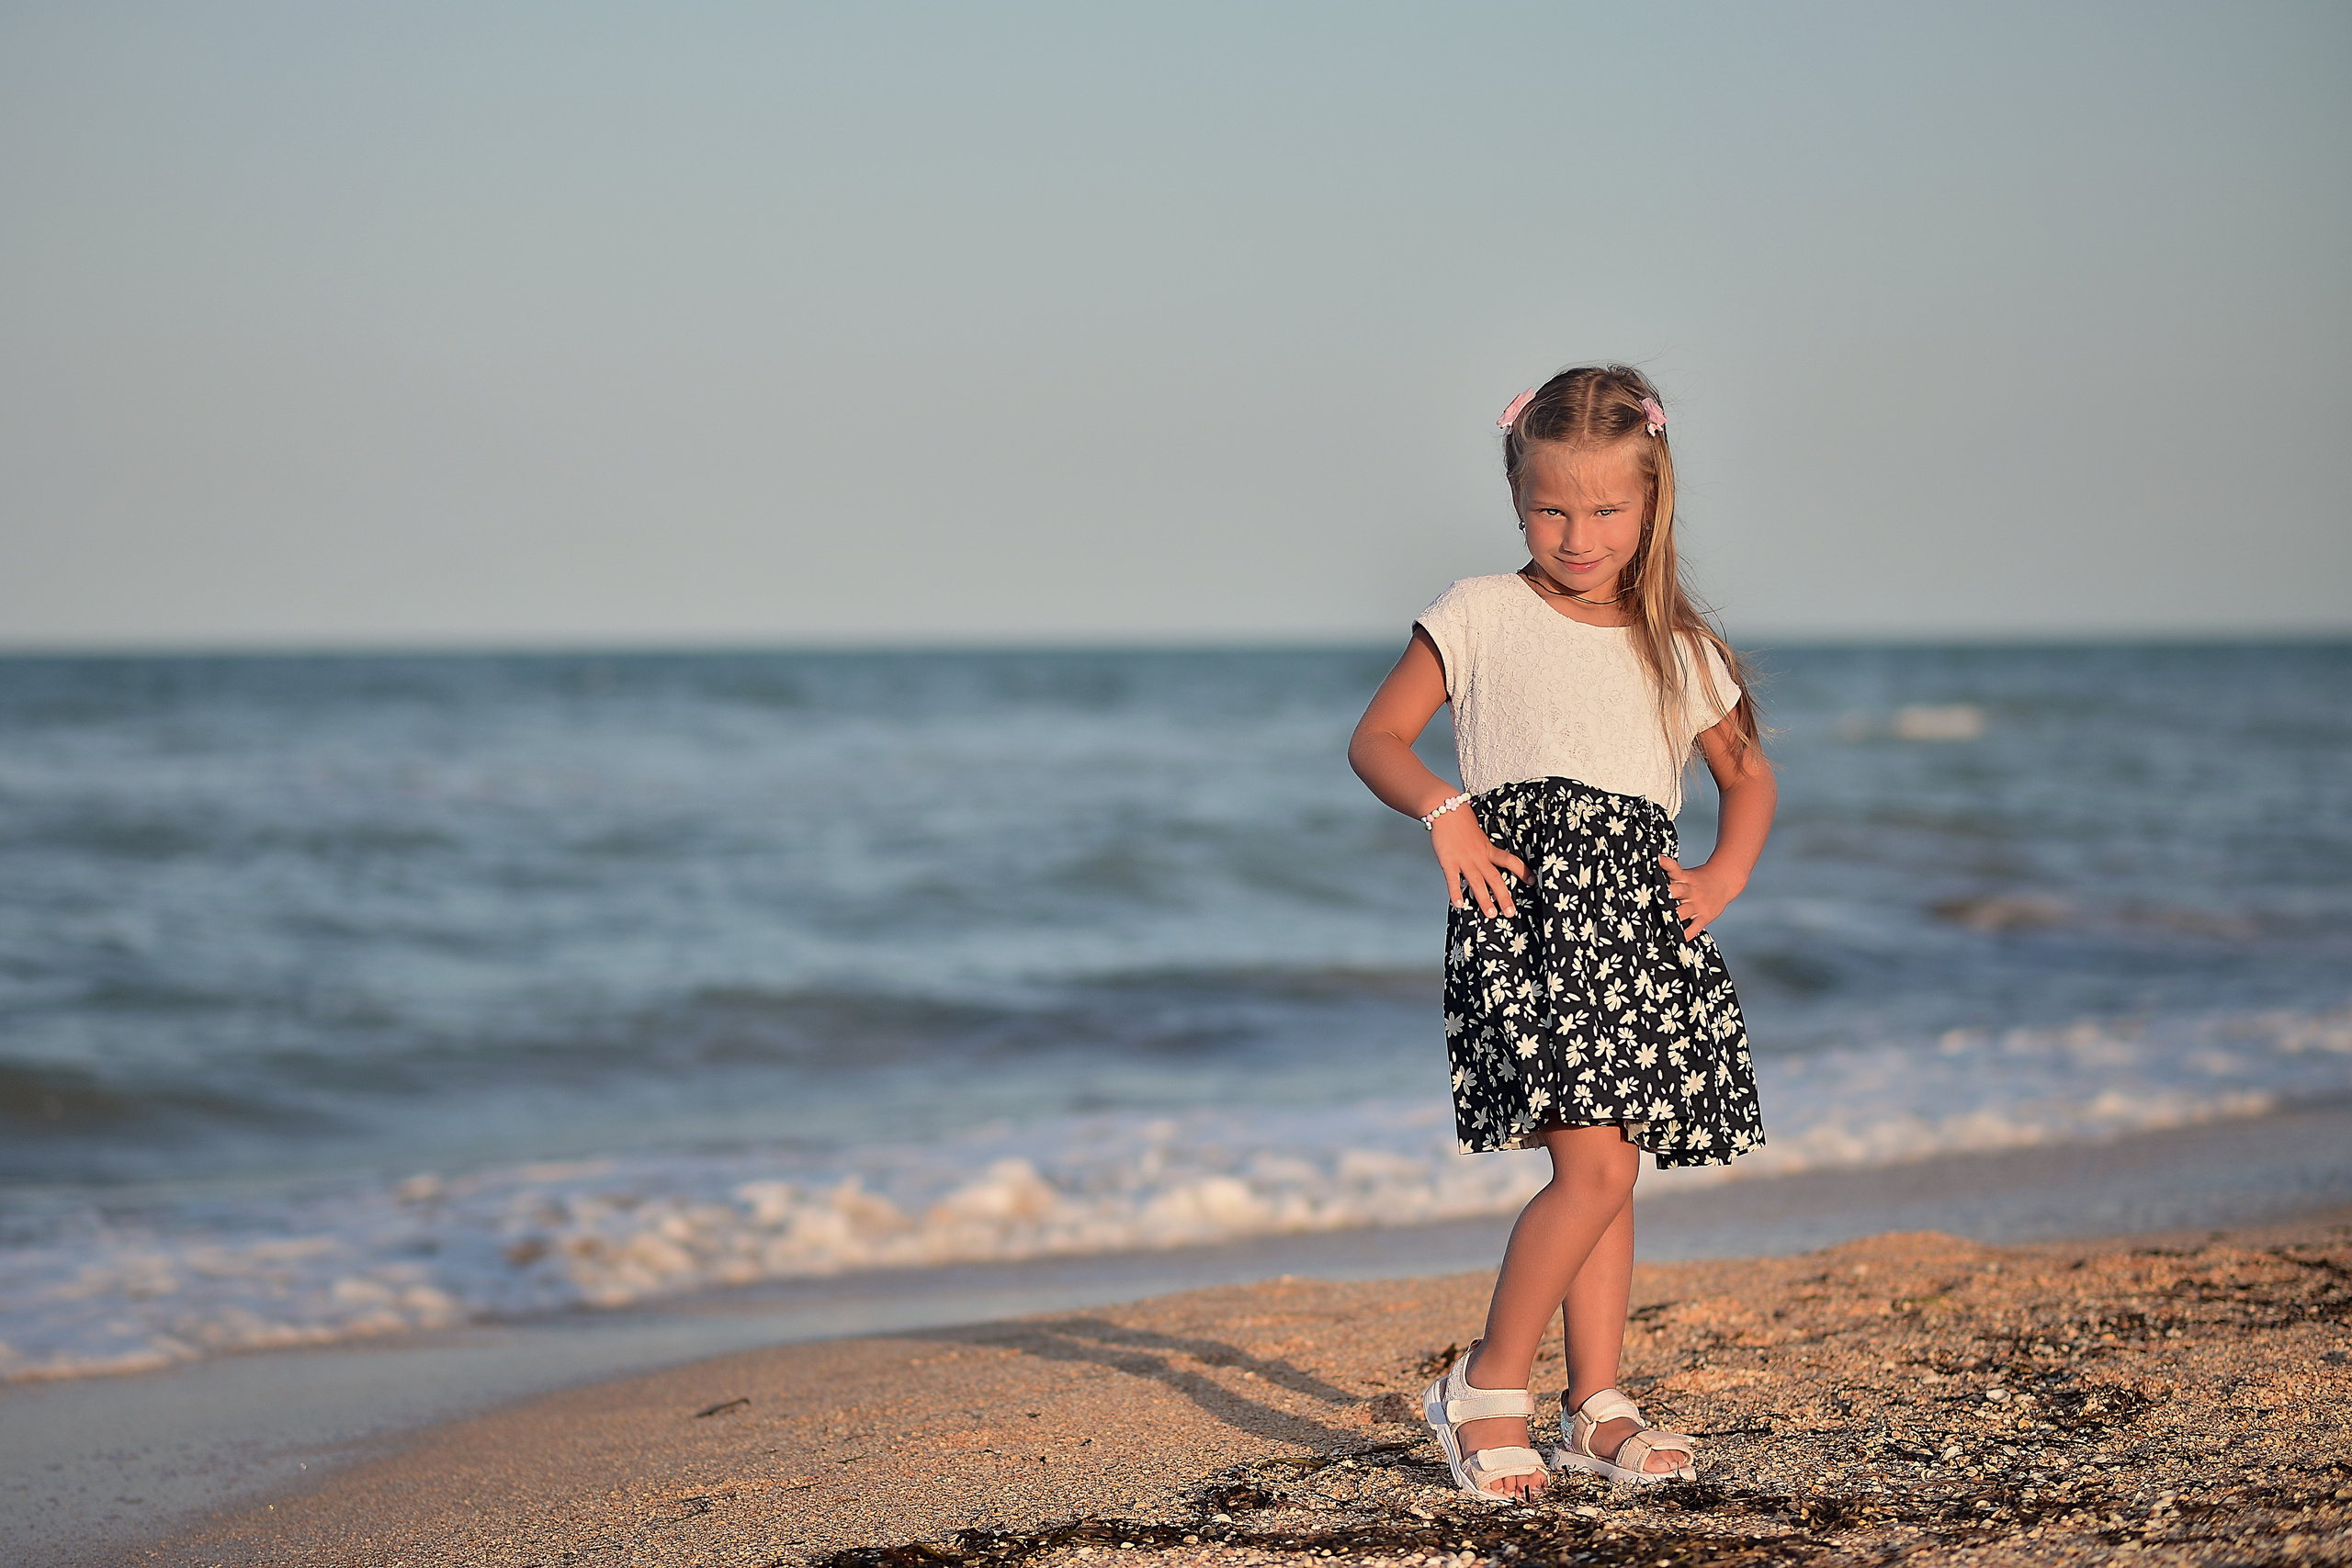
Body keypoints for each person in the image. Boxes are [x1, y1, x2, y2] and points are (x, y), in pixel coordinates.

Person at [1347, 365, 1776, 1500]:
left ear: (1650, 506)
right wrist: (1445, 812)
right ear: (1516, 498)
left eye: (1604, 511)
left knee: (1612, 1167)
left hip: (1639, 926)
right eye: (1551, 509)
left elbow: (1748, 777)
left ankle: (1596, 1404)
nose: (1576, 535)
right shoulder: (1480, 613)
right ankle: (1485, 1387)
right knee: (1588, 1168)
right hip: (1527, 916)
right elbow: (1378, 740)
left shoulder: (1678, 646)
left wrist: (1724, 874)